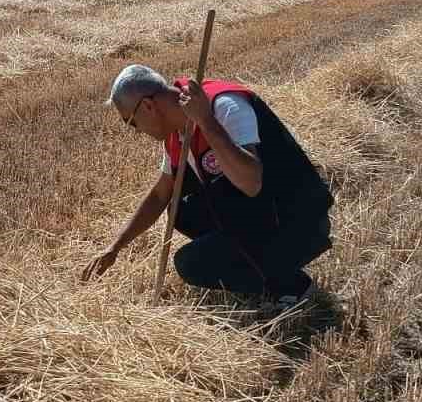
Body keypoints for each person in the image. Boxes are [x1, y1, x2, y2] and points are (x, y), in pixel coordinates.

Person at [82, 64, 333, 303]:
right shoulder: (175, 136)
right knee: (181, 211)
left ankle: (290, 285)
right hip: (260, 217)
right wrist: (115, 248)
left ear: (148, 106)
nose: (135, 130)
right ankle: (256, 263)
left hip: (298, 220)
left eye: (131, 121)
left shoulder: (223, 107)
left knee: (191, 264)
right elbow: (160, 194)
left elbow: (251, 183)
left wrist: (206, 122)